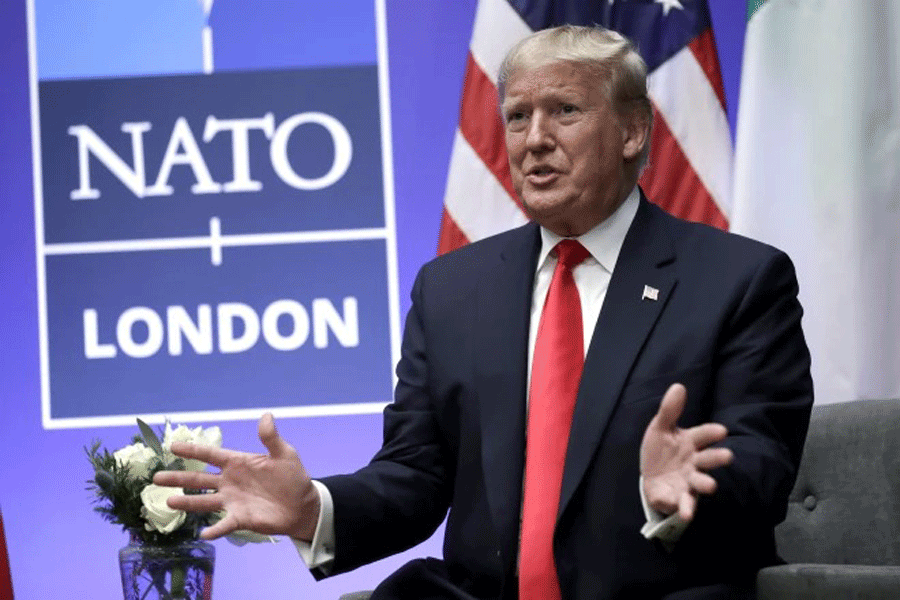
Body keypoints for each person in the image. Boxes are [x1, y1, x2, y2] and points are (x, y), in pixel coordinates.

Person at [155, 25, 813, 600]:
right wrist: (313, 509)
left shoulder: (738, 282)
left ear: (634, 130)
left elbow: (761, 466)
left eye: (565, 110)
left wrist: (680, 494)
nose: (535, 141)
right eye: (518, 116)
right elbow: (414, 476)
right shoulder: (452, 290)